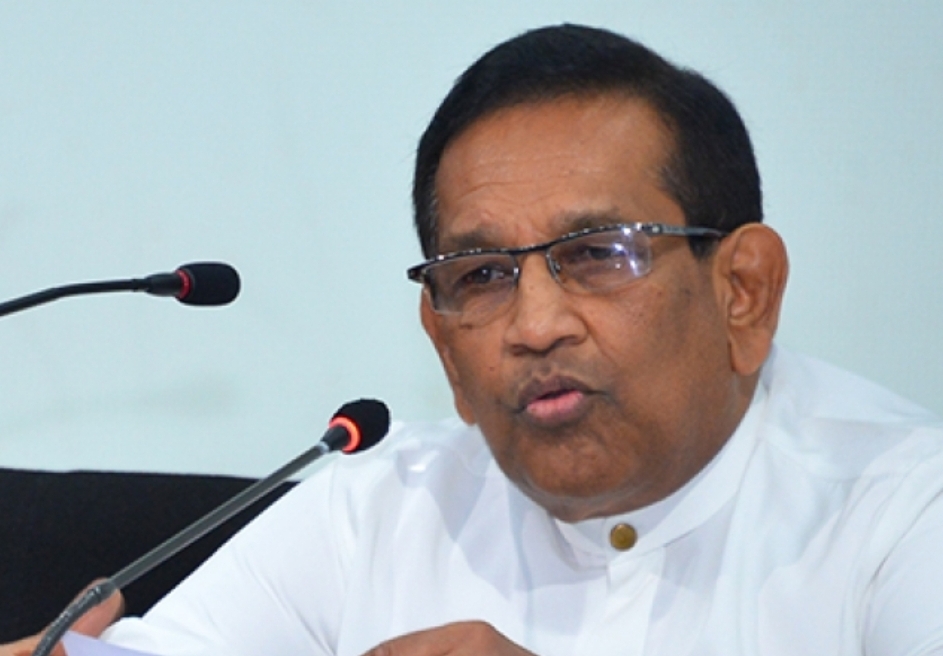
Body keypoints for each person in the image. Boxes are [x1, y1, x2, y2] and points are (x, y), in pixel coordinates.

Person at [8, 23, 943, 656]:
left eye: (598, 254)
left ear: (742, 291)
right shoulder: (373, 510)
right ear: (442, 344)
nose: (534, 325)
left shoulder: (902, 508)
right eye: (482, 276)